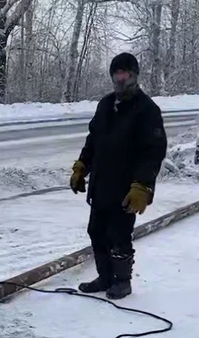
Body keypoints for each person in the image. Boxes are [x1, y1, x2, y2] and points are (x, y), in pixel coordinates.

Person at [70, 52, 167, 299]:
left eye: (126, 73)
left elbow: (153, 152)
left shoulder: (147, 110)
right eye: (117, 73)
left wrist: (142, 185)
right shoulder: (105, 105)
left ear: (134, 76)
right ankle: (104, 277)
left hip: (127, 188)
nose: (121, 78)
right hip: (101, 184)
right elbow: (93, 140)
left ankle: (122, 281)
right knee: (96, 231)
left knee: (119, 235)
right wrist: (82, 166)